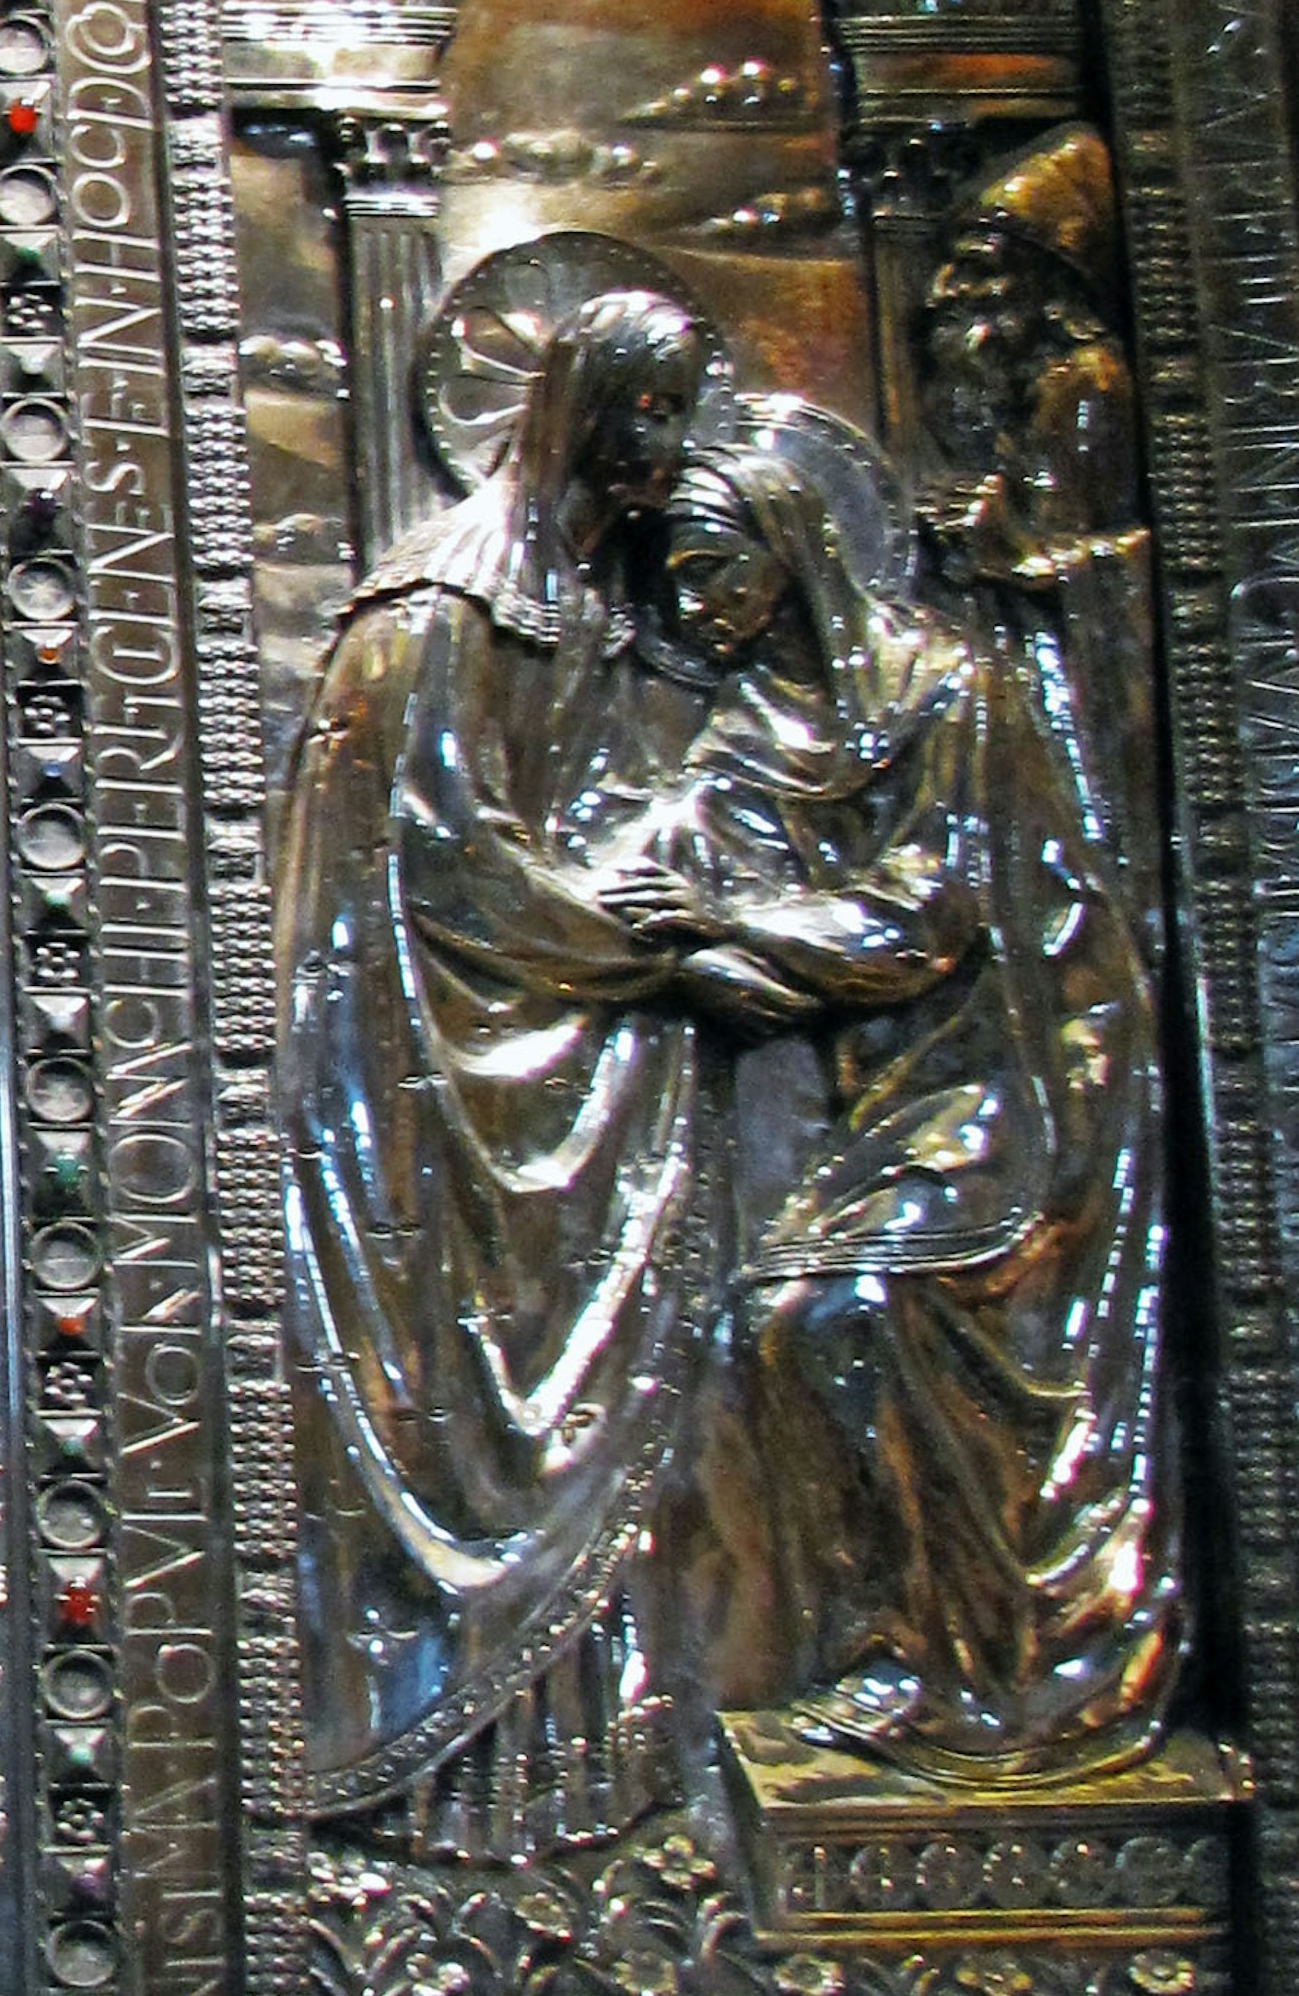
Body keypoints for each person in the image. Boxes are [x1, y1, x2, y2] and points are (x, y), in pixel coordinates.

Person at [587, 403, 1173, 1765]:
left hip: (1025, 1066)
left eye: (714, 565)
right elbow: (675, 858)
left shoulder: (946, 689)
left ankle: (982, 1662)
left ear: (793, 548)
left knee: (830, 1310)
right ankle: (892, 1644)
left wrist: (738, 933)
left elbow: (931, 911)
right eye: (676, 573)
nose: (697, 598)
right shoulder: (755, 722)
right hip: (897, 1086)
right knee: (791, 1324)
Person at [281, 278, 720, 1857]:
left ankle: (588, 1785)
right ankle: (436, 1793)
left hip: (581, 1093)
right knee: (459, 1412)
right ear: (573, 405)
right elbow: (449, 863)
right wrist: (644, 934)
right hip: (433, 1107)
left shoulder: (613, 604)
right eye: (642, 412)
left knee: (629, 1390)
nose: (662, 454)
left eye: (682, 417)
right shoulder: (439, 610)